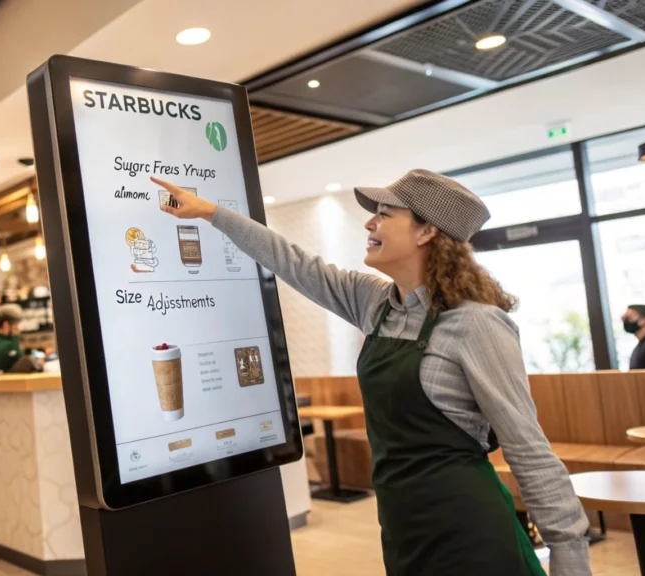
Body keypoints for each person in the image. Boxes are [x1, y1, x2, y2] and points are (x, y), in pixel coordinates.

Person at [153, 170, 591, 575]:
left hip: (466, 525)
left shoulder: (477, 323)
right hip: (401, 524)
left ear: (427, 230)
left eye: (384, 214)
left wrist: (570, 560)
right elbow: (294, 262)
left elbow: (528, 448)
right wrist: (210, 213)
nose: (369, 224)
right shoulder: (376, 303)